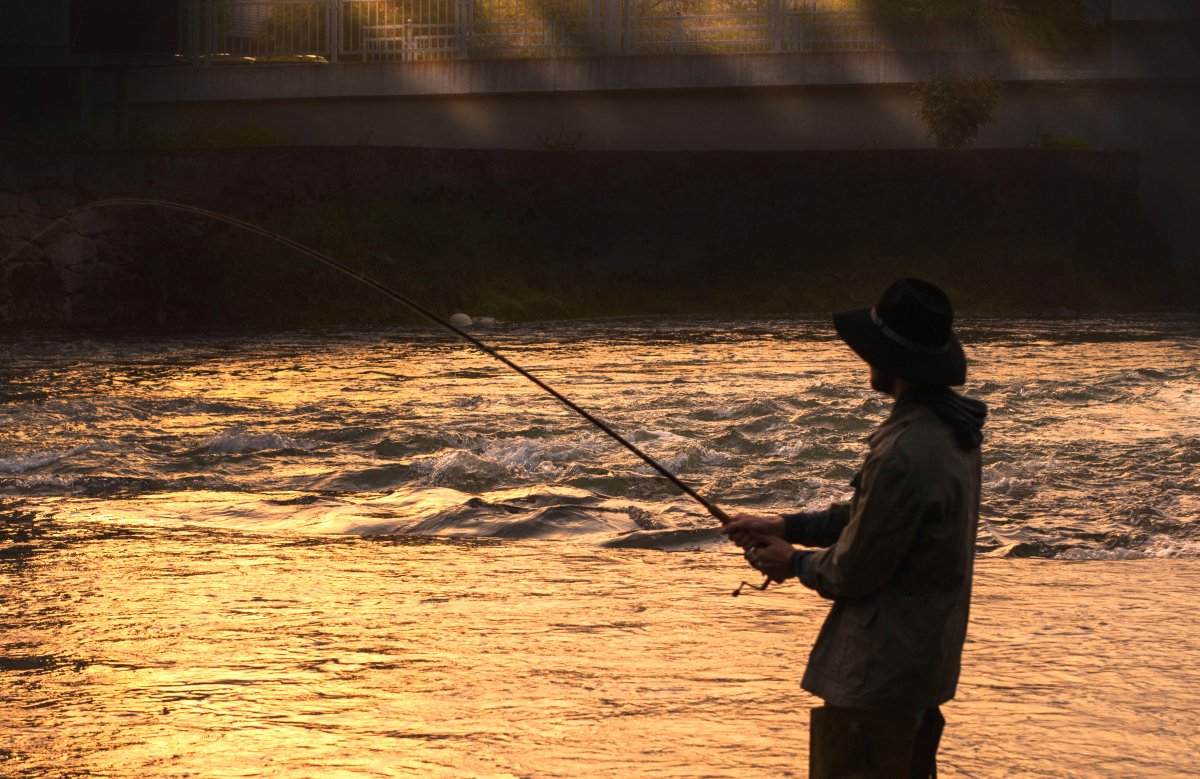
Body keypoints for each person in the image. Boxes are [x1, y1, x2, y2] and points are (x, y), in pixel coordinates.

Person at [722, 278, 987, 779]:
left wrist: (793, 561)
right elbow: (873, 519)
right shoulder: (952, 432)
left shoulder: (905, 451)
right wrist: (785, 524)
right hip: (918, 671)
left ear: (890, 358)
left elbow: (852, 570)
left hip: (877, 681)